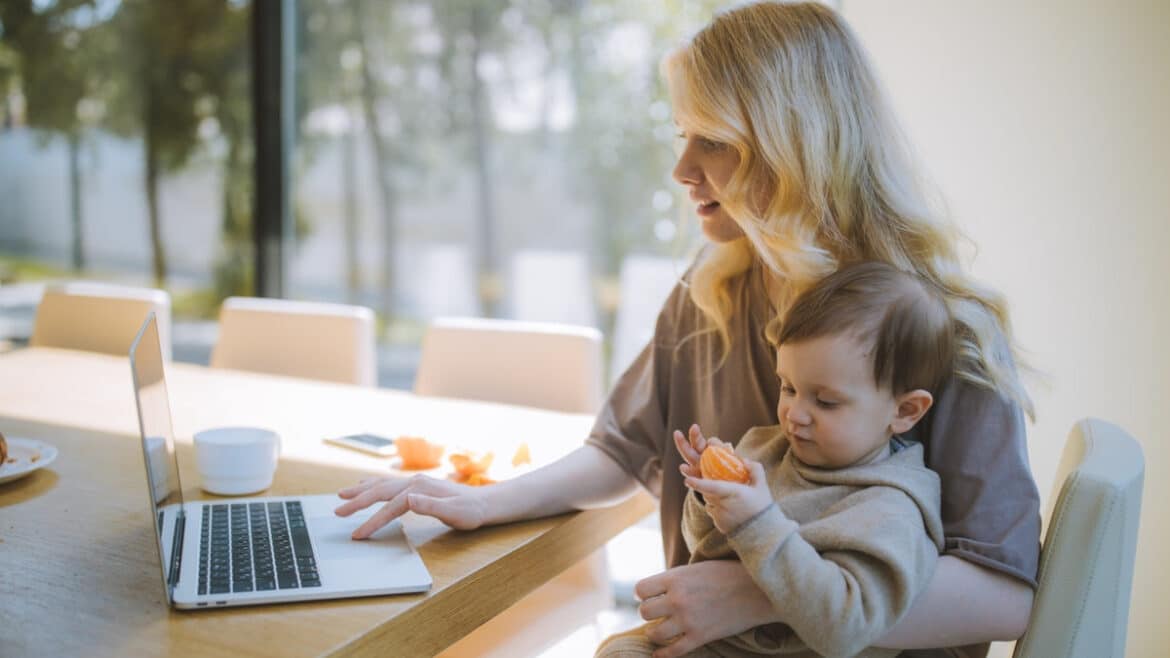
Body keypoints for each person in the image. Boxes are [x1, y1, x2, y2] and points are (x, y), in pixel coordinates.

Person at [335, 3, 1040, 656]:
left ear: (796, 147)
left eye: (714, 142)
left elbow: (1004, 594)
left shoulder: (944, 330)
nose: (681, 169)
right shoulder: (712, 289)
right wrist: (483, 501)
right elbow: (623, 448)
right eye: (682, 136)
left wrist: (760, 595)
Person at [597, 261, 954, 657]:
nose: (794, 414)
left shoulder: (891, 509)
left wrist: (756, 522)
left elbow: (846, 628)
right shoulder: (767, 450)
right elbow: (702, 546)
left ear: (905, 411)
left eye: (826, 401)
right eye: (788, 387)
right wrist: (710, 499)